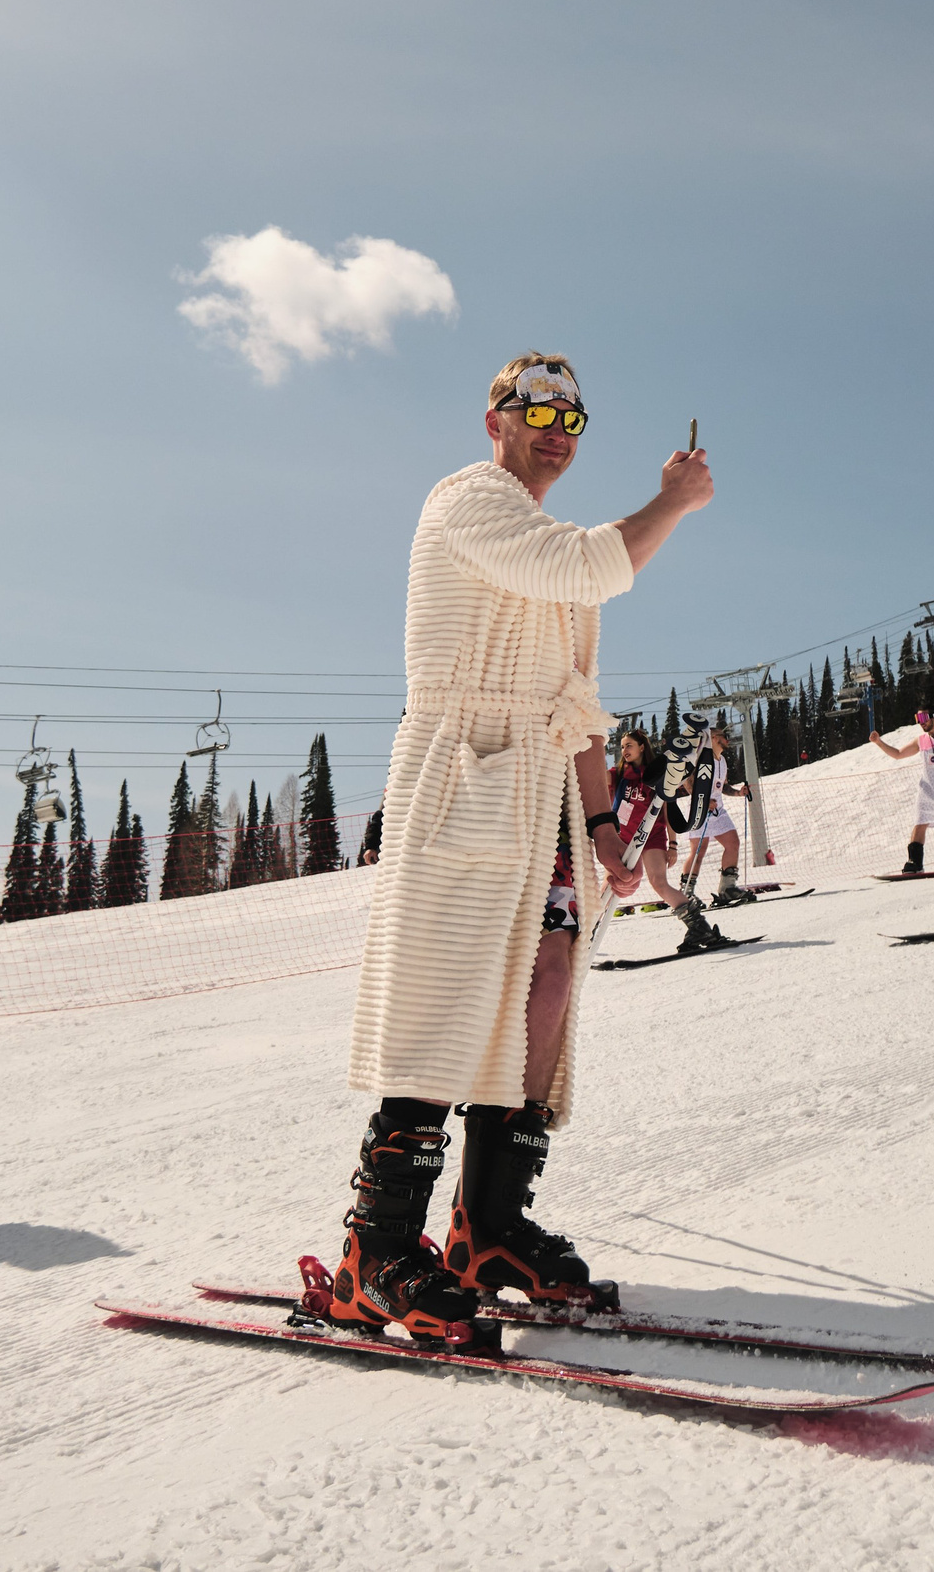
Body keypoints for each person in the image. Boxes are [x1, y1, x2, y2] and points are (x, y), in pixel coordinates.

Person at [331, 351, 713, 1346]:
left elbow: (576, 707)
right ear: (493, 419)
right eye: (533, 407)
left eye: (572, 417)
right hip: (465, 768)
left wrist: (599, 826)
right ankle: (376, 1248)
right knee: (446, 993)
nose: (554, 426)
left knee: (545, 989)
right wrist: (671, 501)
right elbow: (591, 563)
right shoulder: (470, 502)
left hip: (540, 791)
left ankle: (489, 1231)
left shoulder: (551, 544)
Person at [612, 730, 735, 948]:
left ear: (642, 747)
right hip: (624, 838)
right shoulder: (617, 773)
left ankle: (699, 928)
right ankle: (588, 932)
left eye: (629, 745)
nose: (624, 751)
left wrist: (673, 844)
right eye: (622, 747)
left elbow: (668, 810)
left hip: (651, 836)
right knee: (610, 883)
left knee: (658, 882)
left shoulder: (656, 774)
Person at [869, 708, 934, 872]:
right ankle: (914, 862)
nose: (921, 721)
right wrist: (879, 742)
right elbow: (898, 754)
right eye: (918, 718)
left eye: (923, 717)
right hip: (929, 789)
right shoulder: (921, 740)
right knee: (920, 822)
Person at [677, 726, 754, 908]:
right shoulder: (701, 758)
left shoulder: (722, 761)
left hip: (718, 810)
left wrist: (738, 793)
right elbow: (689, 784)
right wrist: (703, 801)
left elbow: (723, 786)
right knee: (698, 850)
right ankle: (685, 893)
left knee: (732, 843)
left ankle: (727, 888)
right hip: (700, 810)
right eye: (723, 736)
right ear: (712, 738)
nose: (727, 739)